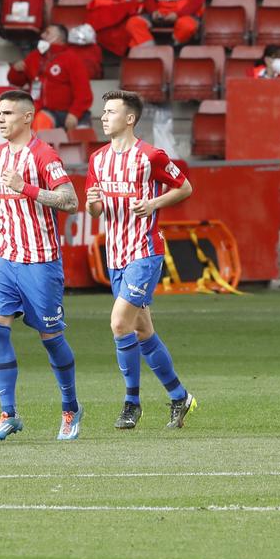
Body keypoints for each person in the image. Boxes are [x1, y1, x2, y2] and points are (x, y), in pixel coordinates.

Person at [0, 89, 82, 442]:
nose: (0, 119)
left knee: (50, 337)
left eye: (7, 113)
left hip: (40, 260)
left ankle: (70, 407)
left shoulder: (44, 155)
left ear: (26, 117)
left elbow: (69, 201)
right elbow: (11, 201)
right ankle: (9, 413)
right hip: (5, 255)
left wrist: (27, 189)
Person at [89, 91, 197, 431]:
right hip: (115, 253)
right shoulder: (98, 159)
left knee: (120, 323)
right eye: (103, 112)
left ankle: (131, 403)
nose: (104, 117)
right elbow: (95, 209)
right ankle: (180, 396)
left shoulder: (150, 155)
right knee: (142, 330)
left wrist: (153, 204)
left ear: (130, 118)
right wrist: (93, 202)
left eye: (111, 112)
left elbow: (185, 187)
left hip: (145, 250)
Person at [6, 23, 94, 131]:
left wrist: (75, 113)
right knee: (39, 120)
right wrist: (15, 70)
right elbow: (16, 81)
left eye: (47, 33)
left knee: (83, 138)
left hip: (72, 112)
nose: (42, 36)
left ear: (60, 38)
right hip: (46, 111)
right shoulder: (34, 57)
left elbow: (84, 93)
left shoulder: (72, 59)